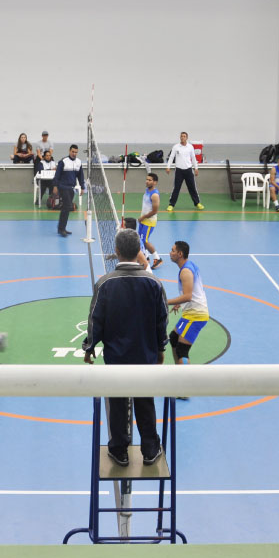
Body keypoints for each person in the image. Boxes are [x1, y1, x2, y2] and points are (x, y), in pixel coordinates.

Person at [82, 228, 168, 467]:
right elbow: (162, 319)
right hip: (145, 355)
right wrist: (161, 348)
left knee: (118, 403)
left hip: (116, 359)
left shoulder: (105, 284)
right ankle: (150, 449)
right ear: (139, 252)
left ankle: (119, 450)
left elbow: (95, 320)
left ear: (117, 251)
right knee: (145, 401)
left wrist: (89, 348)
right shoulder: (154, 283)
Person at [167, 240, 209, 394]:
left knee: (182, 349)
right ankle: (179, 374)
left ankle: (184, 389)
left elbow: (188, 296)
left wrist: (167, 302)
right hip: (191, 312)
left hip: (196, 315)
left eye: (172, 250)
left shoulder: (185, 271)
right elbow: (190, 294)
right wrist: (180, 304)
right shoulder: (187, 266)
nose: (170, 253)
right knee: (173, 338)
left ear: (180, 254)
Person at [164, 131, 203, 211]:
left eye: (184, 136)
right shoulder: (176, 147)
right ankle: (171, 204)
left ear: (187, 138)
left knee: (192, 187)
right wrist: (168, 167)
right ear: (180, 137)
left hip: (188, 170)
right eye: (181, 136)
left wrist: (196, 168)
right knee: (176, 188)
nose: (182, 138)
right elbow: (171, 157)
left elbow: (193, 158)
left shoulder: (190, 147)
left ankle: (197, 203)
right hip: (179, 171)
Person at [51, 144, 84, 237]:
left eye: (76, 152)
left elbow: (80, 176)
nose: (74, 153)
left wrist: (82, 187)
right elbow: (57, 175)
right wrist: (55, 186)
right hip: (63, 187)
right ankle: (61, 229)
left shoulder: (78, 162)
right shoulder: (63, 161)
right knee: (67, 207)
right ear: (69, 151)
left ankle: (62, 228)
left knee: (67, 208)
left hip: (71, 188)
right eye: (73, 151)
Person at [138, 172, 162, 268]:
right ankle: (146, 257)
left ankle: (157, 258)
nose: (147, 181)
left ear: (155, 182)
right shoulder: (147, 190)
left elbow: (155, 211)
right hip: (143, 220)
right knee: (140, 240)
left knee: (144, 241)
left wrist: (143, 217)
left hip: (149, 222)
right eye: (147, 179)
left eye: (150, 180)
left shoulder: (155, 195)